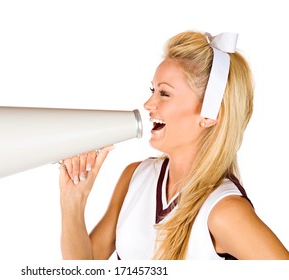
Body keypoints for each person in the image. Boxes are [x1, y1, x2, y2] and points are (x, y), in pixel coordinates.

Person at [58, 31, 289, 260]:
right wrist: (73, 202)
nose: (148, 104)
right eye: (152, 90)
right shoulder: (135, 177)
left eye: (164, 93)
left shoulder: (223, 210)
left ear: (209, 115)